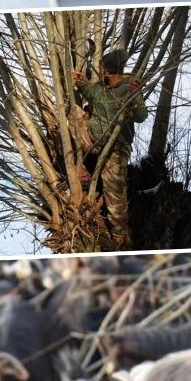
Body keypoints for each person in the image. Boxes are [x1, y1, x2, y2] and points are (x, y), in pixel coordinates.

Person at [73, 48, 148, 248]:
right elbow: (88, 91)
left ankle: (119, 237)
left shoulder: (128, 87)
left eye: (100, 68)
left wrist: (135, 95)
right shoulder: (100, 88)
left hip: (116, 148)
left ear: (106, 70)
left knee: (114, 193)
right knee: (73, 117)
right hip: (93, 141)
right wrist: (79, 80)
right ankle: (84, 175)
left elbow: (141, 116)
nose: (99, 70)